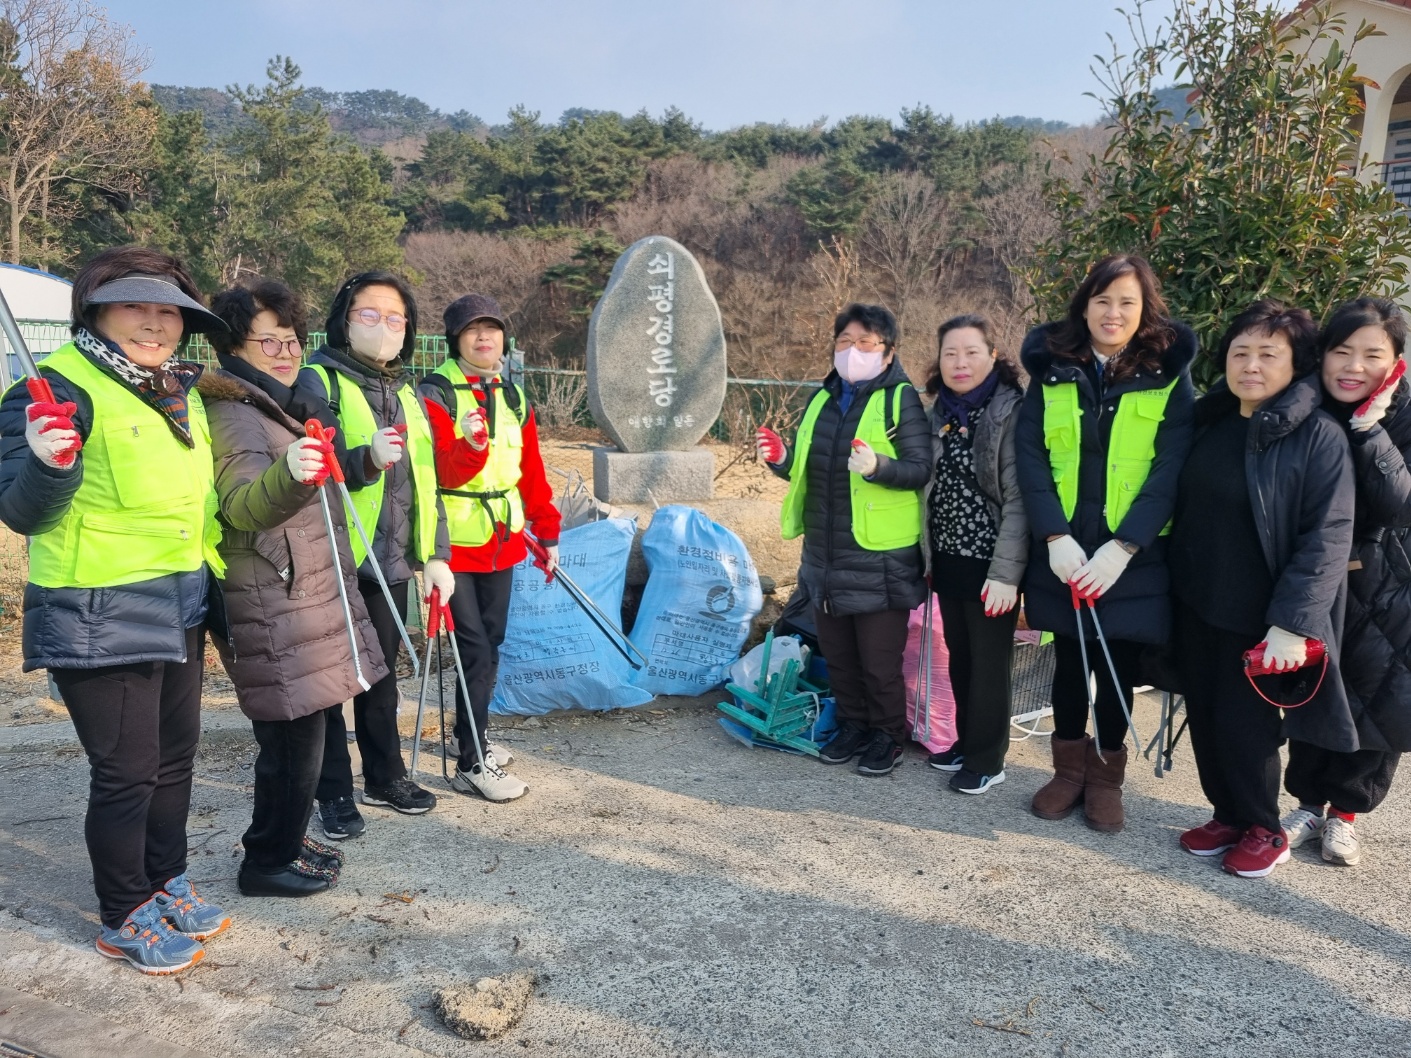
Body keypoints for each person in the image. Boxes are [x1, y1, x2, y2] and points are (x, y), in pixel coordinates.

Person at [0, 246, 231, 973]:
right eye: (137, 306)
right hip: (95, 611)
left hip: (179, 602)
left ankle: (167, 881)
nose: (155, 324)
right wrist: (48, 460)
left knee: (175, 760)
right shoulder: (51, 391)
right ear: (96, 311)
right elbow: (22, 512)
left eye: (168, 311)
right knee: (128, 771)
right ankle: (122, 910)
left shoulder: (174, 391)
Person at [200, 280, 389, 895]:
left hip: (298, 587)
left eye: (291, 339)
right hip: (270, 592)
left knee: (296, 731)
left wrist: (356, 462)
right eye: (268, 340)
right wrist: (289, 473)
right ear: (233, 344)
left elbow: (317, 480)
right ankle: (266, 863)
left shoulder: (275, 402)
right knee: (293, 736)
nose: (285, 351)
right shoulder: (232, 411)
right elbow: (245, 504)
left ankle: (280, 838)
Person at [1170, 300, 1355, 878]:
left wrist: (1294, 623)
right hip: (1197, 600)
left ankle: (1263, 827)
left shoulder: (1318, 436)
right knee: (1203, 713)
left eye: (1267, 354)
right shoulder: (1211, 421)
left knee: (1247, 729)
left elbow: (1327, 536)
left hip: (1261, 616)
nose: (1250, 364)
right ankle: (1225, 814)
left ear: (1296, 363)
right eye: (1239, 351)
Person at [1016, 254, 1196, 833]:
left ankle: (1107, 778)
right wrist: (1054, 535)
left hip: (1130, 557)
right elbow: (1031, 458)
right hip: (1065, 550)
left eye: (1126, 301)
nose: (1112, 312)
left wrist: (1124, 547)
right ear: (1084, 306)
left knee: (1117, 665)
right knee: (1067, 659)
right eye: (1102, 300)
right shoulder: (1052, 369)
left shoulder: (1167, 373)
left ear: (1144, 309)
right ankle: (1067, 771)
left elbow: (1171, 468)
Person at [295, 272, 454, 833]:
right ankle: (332, 790)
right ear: (344, 318)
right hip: (333, 561)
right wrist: (366, 453)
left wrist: (435, 554)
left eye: (395, 319)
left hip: (389, 562)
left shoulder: (407, 392)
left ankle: (385, 776)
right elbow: (319, 460)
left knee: (382, 676)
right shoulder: (317, 380)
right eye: (369, 314)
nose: (383, 328)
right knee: (331, 681)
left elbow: (426, 482)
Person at [757, 303, 930, 776]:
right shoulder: (823, 399)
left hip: (880, 558)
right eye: (845, 342)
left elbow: (920, 468)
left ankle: (888, 736)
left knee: (878, 663)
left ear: (888, 352)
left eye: (867, 343)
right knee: (840, 657)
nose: (854, 351)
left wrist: (880, 468)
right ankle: (852, 725)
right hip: (824, 557)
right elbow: (808, 470)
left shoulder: (900, 400)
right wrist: (781, 457)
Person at [1281, 298, 1410, 867]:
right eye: (1342, 351)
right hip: (1320, 570)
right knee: (1317, 685)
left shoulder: (1402, 416)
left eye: (1372, 355)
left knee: (1379, 696)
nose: (1354, 366)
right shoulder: (1302, 407)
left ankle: (1349, 814)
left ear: (1397, 362)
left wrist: (1368, 427)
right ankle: (1308, 803)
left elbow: (1399, 501)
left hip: (1390, 578)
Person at [418, 294, 558, 802]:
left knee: (490, 643)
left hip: (503, 538)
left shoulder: (513, 396)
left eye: (493, 329)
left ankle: (470, 733)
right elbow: (437, 470)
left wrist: (547, 532)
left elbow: (531, 473)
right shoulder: (435, 394)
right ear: (456, 338)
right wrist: (471, 447)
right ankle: (472, 761)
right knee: (473, 648)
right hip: (453, 540)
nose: (484, 337)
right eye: (473, 330)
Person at [922, 314, 1027, 795]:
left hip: (992, 562)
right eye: (950, 353)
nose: (960, 362)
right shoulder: (936, 414)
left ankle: (989, 757)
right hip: (947, 555)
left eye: (970, 352)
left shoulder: (1010, 412)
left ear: (992, 356)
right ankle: (966, 742)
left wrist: (1007, 573)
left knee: (989, 662)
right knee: (960, 656)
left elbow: (1019, 498)